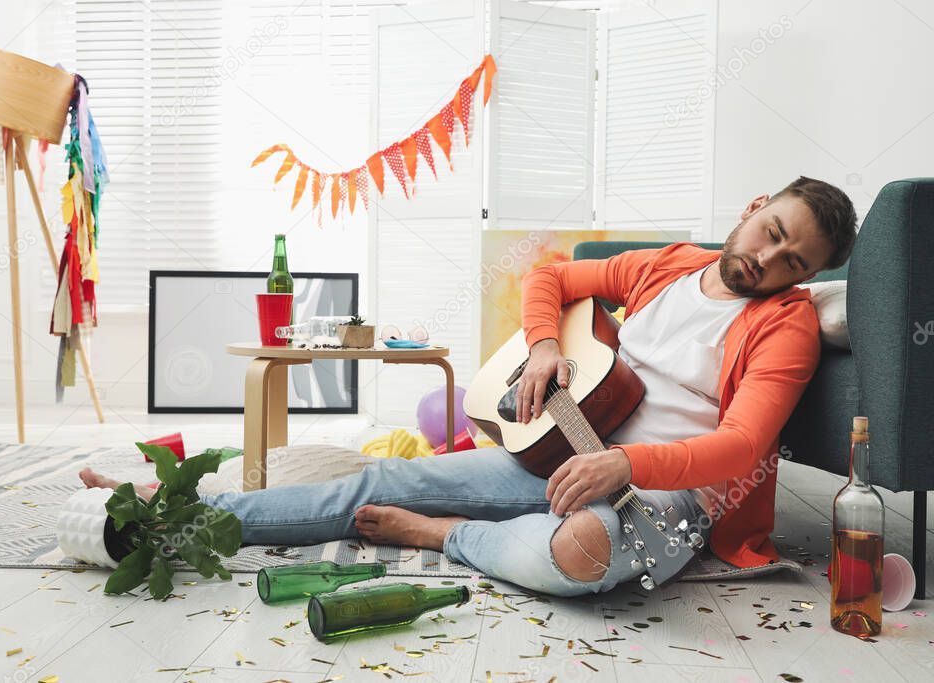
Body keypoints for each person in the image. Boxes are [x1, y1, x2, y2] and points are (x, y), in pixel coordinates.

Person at [80, 176, 857, 597]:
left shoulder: (784, 325)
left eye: (795, 261)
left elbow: (741, 446)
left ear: (809, 278)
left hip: (660, 497)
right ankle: (172, 513)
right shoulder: (671, 263)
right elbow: (551, 273)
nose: (769, 258)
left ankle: (441, 533)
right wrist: (549, 347)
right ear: (755, 207)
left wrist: (625, 466)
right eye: (773, 232)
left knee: (582, 554)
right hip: (561, 447)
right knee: (382, 475)